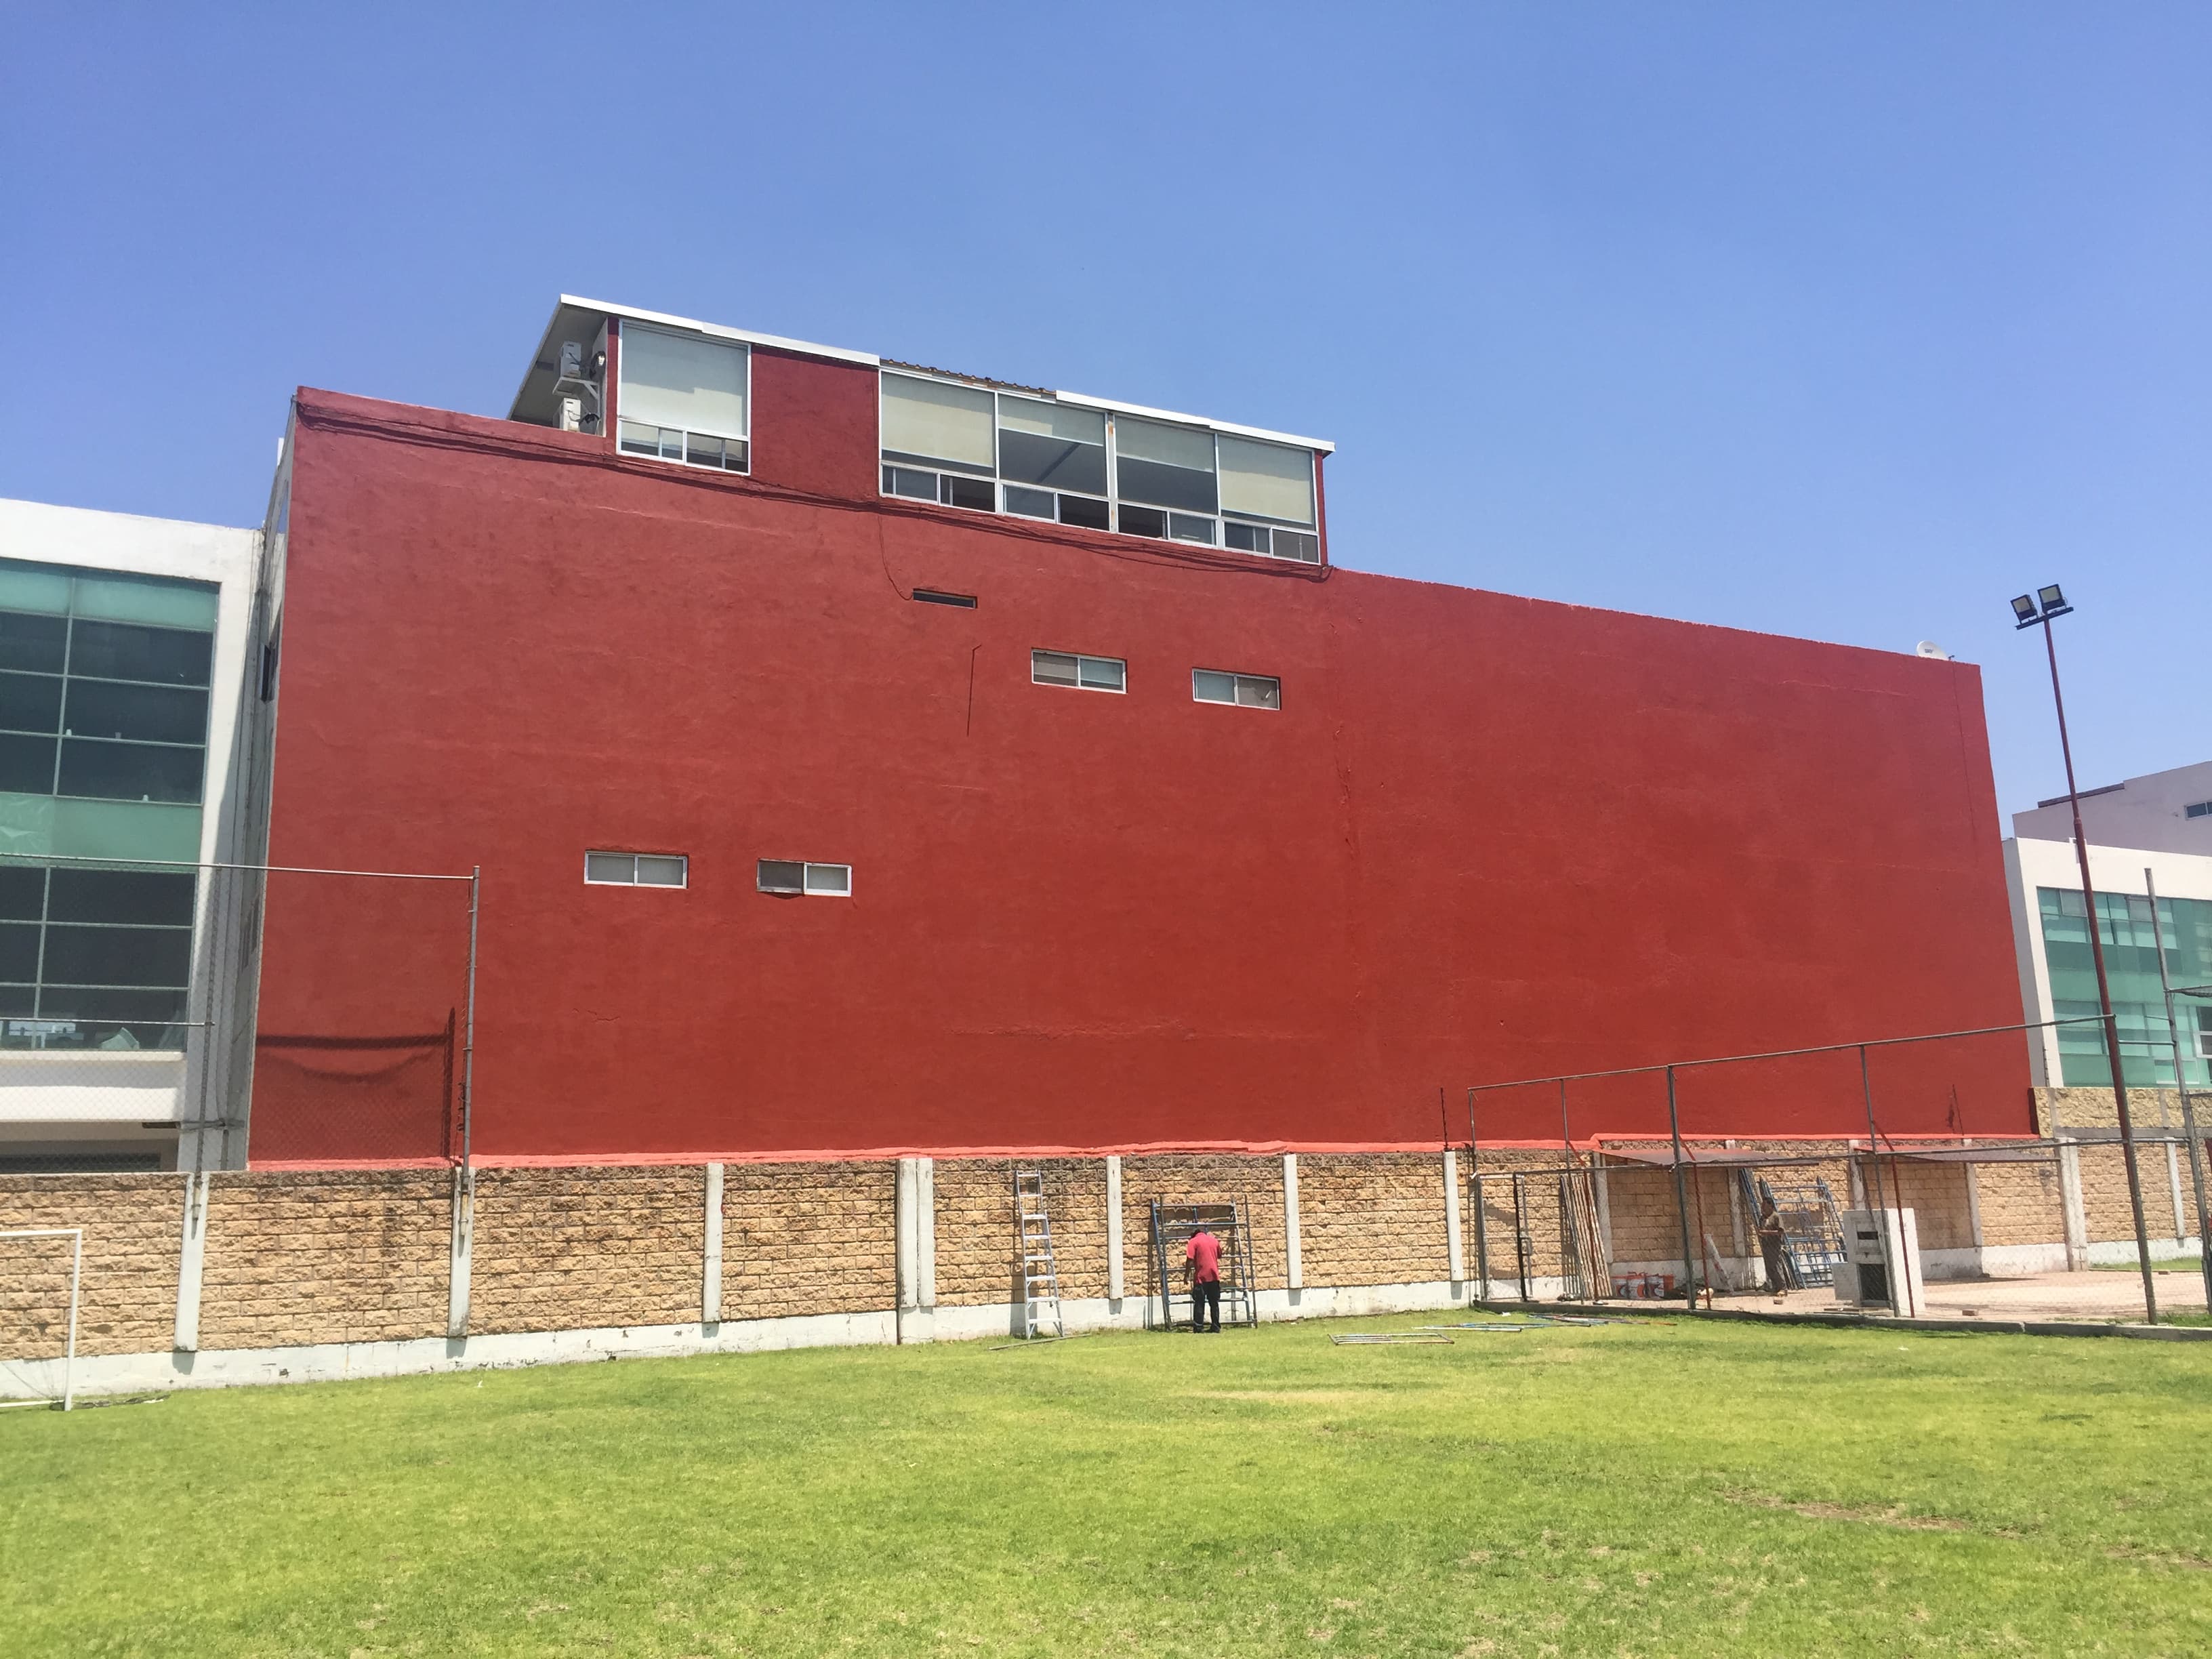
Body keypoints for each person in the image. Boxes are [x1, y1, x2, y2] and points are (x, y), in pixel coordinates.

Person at [1185, 1223, 1223, 1332]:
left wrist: (1186, 1275)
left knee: (1199, 1303)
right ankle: (1216, 1327)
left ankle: (1198, 1327)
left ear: (1193, 1235)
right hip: (1214, 1276)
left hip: (1201, 1278)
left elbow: (1190, 1260)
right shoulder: (1214, 1241)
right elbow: (1220, 1254)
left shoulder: (1193, 1242)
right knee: (1214, 1303)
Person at [1757, 1197, 1788, 1294]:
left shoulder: (1776, 1217)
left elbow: (1781, 1231)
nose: (1763, 1208)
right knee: (1769, 1268)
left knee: (1776, 1266)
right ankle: (1775, 1287)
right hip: (1766, 1245)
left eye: (1765, 1206)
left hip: (1774, 1245)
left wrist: (1767, 1233)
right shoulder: (1762, 1218)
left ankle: (1783, 1288)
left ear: (1771, 1206)